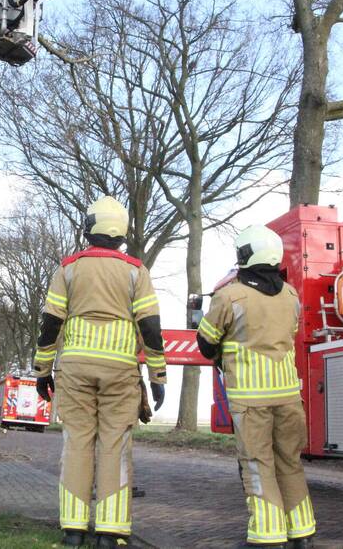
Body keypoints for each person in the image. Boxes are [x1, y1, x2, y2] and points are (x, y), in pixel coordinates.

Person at [33, 197, 167, 549]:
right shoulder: (136, 271)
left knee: (77, 443)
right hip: (120, 371)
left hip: (75, 370)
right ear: (121, 231)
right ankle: (110, 533)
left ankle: (73, 531)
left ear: (89, 227)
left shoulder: (69, 268)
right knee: (114, 446)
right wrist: (157, 376)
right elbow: (151, 328)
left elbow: (50, 324)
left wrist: (42, 370)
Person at [195, 226, 316, 548]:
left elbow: (206, 344)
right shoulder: (291, 295)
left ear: (246, 255)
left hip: (251, 399)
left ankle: (267, 536)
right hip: (289, 396)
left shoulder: (230, 295)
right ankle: (302, 533)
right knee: (289, 463)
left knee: (258, 464)